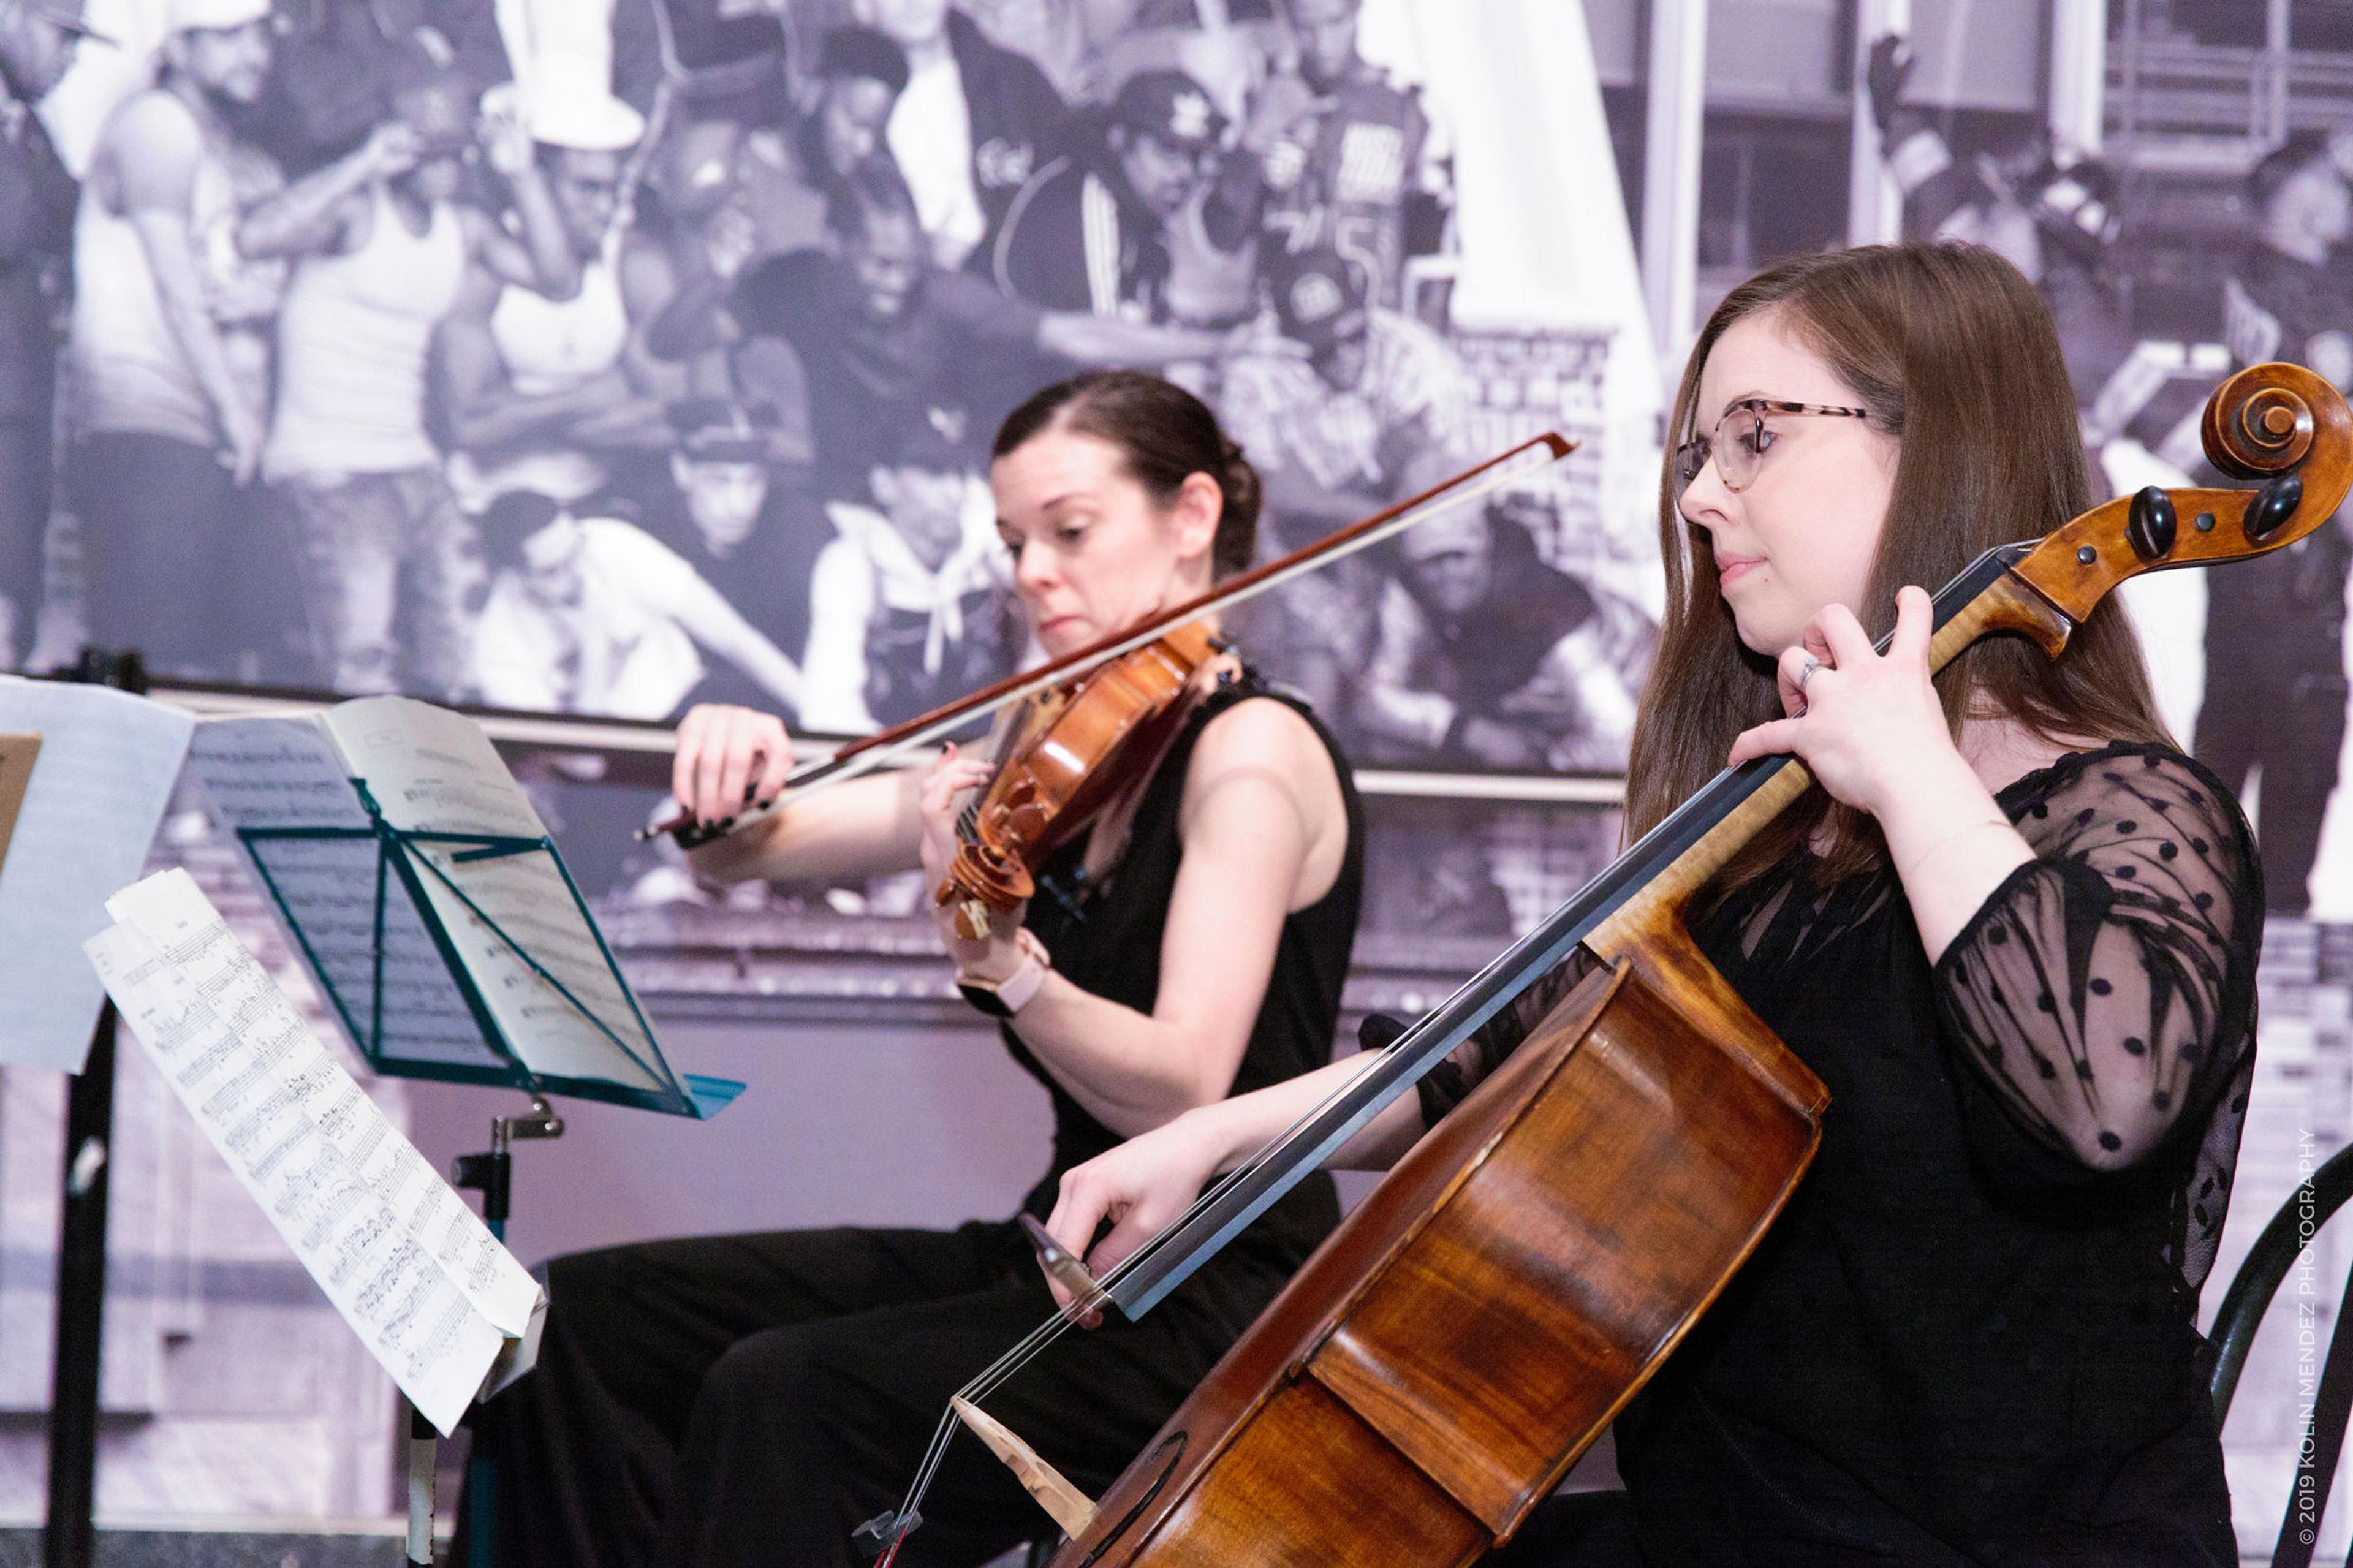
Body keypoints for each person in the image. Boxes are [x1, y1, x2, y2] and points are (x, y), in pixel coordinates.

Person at [1043, 244, 2256, 1565]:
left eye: (1755, 439)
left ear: (1941, 445)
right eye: (1692, 453)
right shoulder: (1760, 848)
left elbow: (2096, 1101)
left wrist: (1912, 768)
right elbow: (1507, 1046)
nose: (1699, 496)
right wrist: (1217, 1143)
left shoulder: (2130, 810)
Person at [455, 370, 1363, 1568]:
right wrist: (730, 784)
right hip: (1056, 1250)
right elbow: (766, 850)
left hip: (1207, 1294)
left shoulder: (1254, 750)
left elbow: (1185, 1084)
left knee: (784, 1391)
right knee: (587, 1321)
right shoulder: (1048, 739)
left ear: (1192, 516)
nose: (1032, 569)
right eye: (1014, 542)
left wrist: (1008, 967)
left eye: (1070, 531)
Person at [237, 60, 574, 698]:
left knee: (455, 659)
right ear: (401, 144)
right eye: (432, 152)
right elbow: (254, 237)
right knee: (362, 666)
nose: (449, 168)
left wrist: (521, 171)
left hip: (412, 467)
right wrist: (364, 163)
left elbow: (559, 282)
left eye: (457, 153)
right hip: (331, 472)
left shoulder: (462, 228)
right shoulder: (356, 212)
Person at [645, 156, 1230, 500]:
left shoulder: (945, 295)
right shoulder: (793, 285)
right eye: (880, 263)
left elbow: (1079, 335)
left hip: (946, 488)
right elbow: (669, 345)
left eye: (909, 262)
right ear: (835, 247)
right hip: (843, 497)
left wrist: (1220, 346)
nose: (898, 281)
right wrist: (714, 281)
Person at [67, 0, 281, 677]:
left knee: (184, 662)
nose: (252, 52)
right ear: (180, 48)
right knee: (144, 663)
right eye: (227, 37)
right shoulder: (157, 123)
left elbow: (211, 277)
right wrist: (236, 414)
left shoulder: (211, 143)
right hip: (148, 421)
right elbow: (174, 287)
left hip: (191, 431)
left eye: (258, 33)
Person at [2195, 132, 2353, 917]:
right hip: (2292, 571)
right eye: (2328, 186)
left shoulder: (2270, 281)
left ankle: (2203, 911)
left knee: (2235, 733)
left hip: (2255, 560)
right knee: (2297, 736)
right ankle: (2268, 921)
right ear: (2302, 199)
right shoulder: (2309, 296)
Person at [439, 77, 673, 517]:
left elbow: (665, 420)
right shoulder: (484, 269)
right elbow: (467, 426)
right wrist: (597, 396)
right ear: (538, 182)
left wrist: (522, 415)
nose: (604, 208)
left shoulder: (634, 264)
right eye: (587, 188)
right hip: (490, 505)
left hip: (600, 499)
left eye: (611, 188)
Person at [1355, 503, 1646, 773]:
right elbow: (1372, 702)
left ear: (1486, 551)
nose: (1448, 575)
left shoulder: (1547, 604)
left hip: (1636, 698)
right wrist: (1464, 731)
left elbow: (1621, 736)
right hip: (1532, 719)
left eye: (1459, 556)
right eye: (1432, 561)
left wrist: (1543, 762)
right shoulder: (1410, 590)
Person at [468, 488, 801, 720]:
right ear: (510, 575)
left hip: (697, 700)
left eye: (576, 551)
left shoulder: (609, 540)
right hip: (620, 763)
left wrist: (819, 714)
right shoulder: (497, 647)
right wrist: (594, 649)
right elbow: (582, 763)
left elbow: (733, 637)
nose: (577, 576)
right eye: (554, 570)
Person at [798, 404, 1022, 733]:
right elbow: (829, 712)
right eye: (934, 474)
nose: (954, 493)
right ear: (885, 485)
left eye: (960, 473)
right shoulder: (850, 567)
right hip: (898, 766)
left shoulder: (987, 541)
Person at [0, 0, 103, 666]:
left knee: (16, 616)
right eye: (62, 36)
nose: (72, 59)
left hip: (21, 412)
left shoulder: (33, 133)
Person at [1241, 0, 1448, 309]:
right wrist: (1253, 141)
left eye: (1335, 23)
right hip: (1278, 330)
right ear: (1286, 23)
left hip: (1374, 326)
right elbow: (1221, 235)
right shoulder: (1255, 98)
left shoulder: (1406, 107)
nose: (1323, 43)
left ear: (1357, 12)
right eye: (1305, 28)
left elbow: (1433, 256)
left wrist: (1422, 340)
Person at [986, 67, 1233, 322]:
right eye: (1168, 149)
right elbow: (1103, 350)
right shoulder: (1085, 203)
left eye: (1195, 155)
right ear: (1120, 139)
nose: (1184, 172)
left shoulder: (1138, 209)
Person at [639, 396, 830, 705]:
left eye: (753, 482)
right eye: (719, 482)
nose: (739, 506)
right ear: (682, 471)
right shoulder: (648, 539)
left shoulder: (800, 531)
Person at [856, 0, 1066, 270]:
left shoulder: (1014, 80)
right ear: (862, 6)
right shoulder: (852, 106)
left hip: (1029, 280)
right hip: (919, 291)